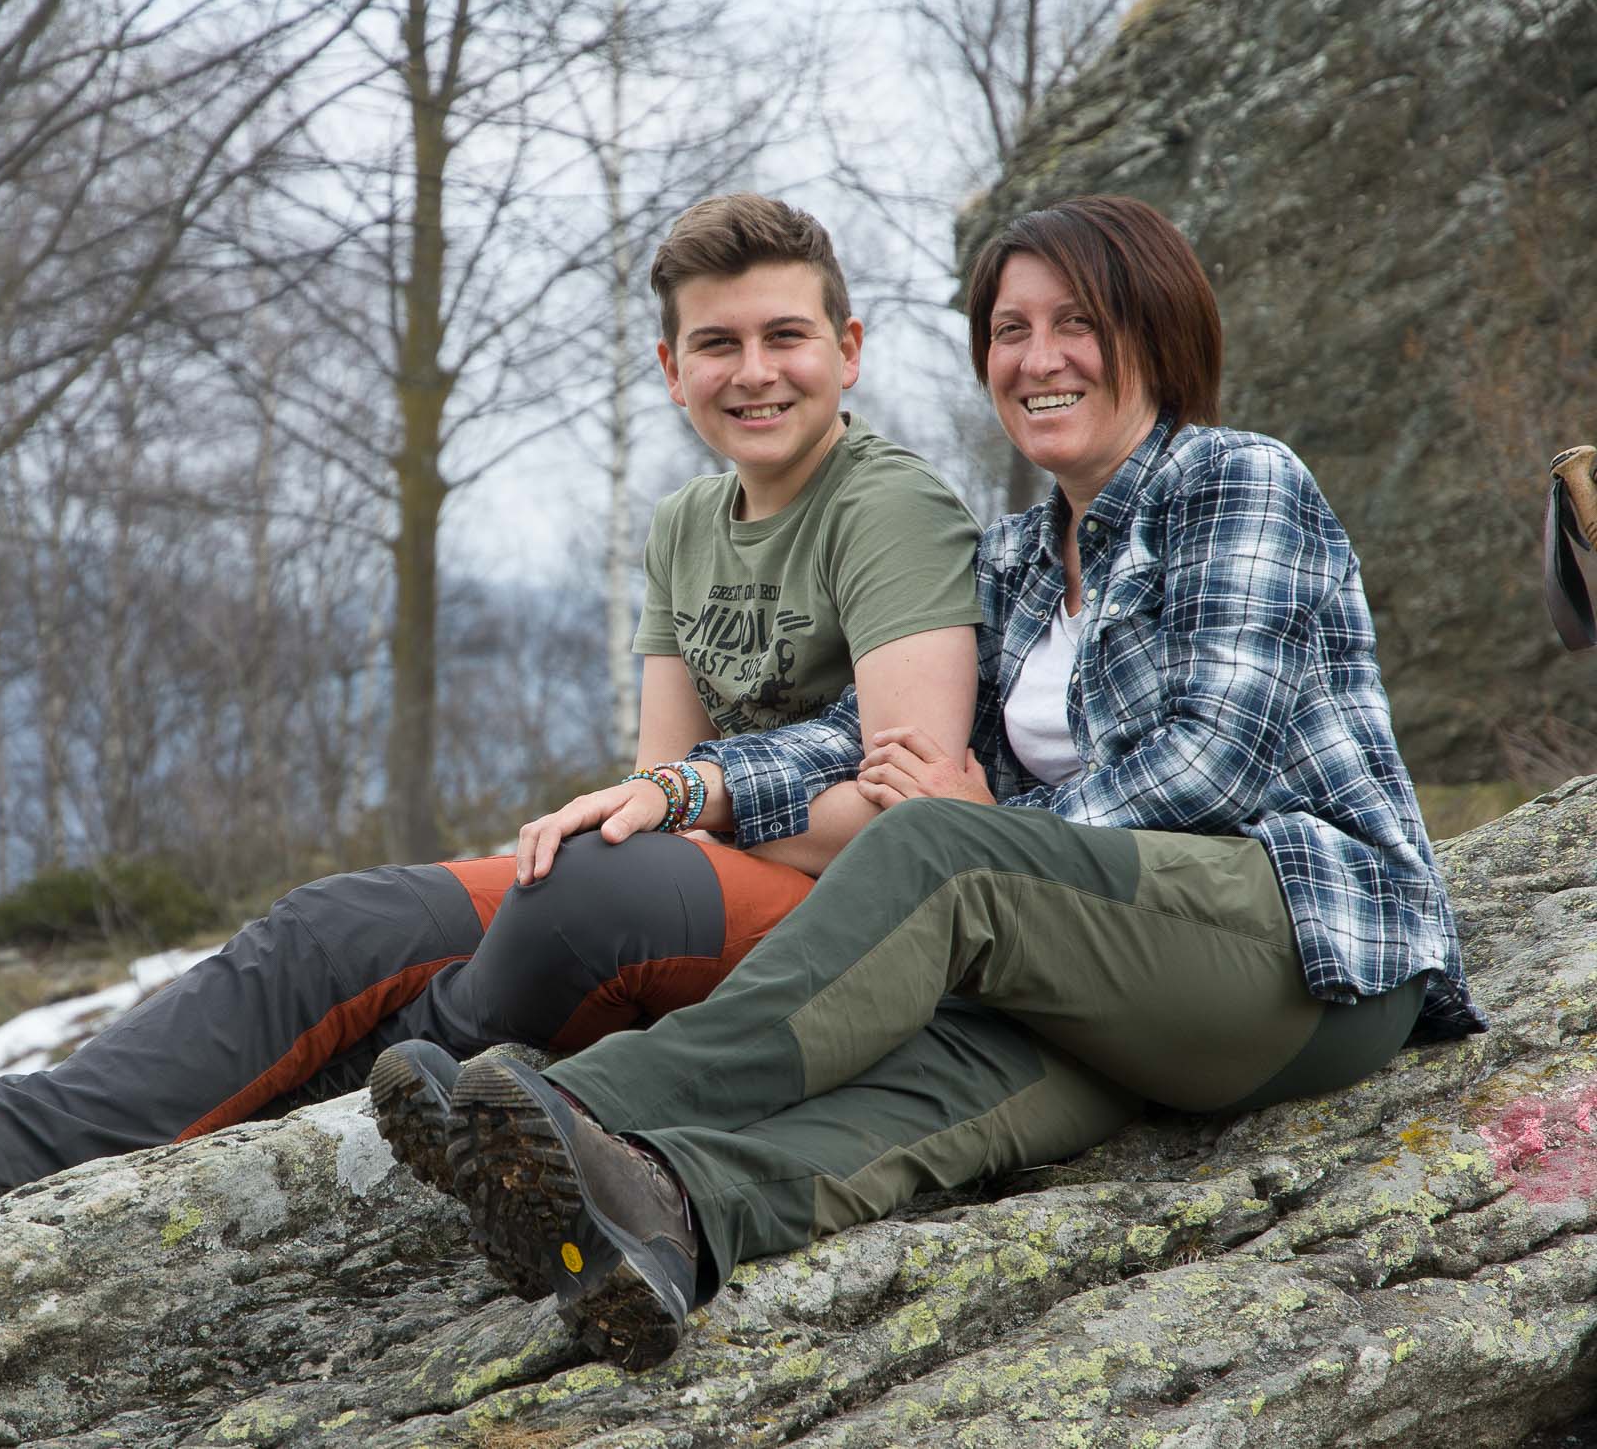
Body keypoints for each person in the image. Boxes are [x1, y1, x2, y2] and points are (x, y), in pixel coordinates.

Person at [0, 193, 984, 1247]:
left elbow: (909, 829)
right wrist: (677, 808)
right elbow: (653, 789)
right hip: (689, 888)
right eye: (716, 344)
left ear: (848, 349)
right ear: (669, 369)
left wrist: (695, 806)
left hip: (832, 933)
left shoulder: (889, 509)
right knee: (334, 929)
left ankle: (298, 1117)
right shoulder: (684, 526)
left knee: (561, 909)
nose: (753, 373)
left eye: (784, 337)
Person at [373, 194, 1487, 1371]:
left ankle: (578, 1105)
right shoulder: (1012, 559)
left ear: (1157, 331)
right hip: (1130, 987)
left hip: (1305, 953)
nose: (1037, 359)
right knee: (935, 1082)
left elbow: (1212, 762)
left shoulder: (1232, 480)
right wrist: (682, 789)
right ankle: (666, 1209)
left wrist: (996, 832)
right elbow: (860, 739)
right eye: (1009, 330)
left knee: (934, 850)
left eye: (1077, 323)